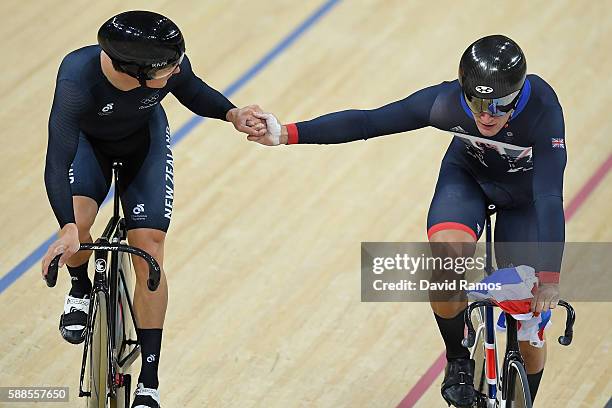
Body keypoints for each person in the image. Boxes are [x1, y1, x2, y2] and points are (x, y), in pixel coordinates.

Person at [250, 35, 566, 407]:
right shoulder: (446, 102)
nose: (486, 115)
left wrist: (549, 279)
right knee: (447, 266)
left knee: (530, 331)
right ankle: (458, 361)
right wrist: (287, 133)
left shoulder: (543, 110)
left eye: (499, 107)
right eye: (477, 103)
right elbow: (369, 121)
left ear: (518, 95)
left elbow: (548, 198)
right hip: (468, 182)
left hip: (525, 200)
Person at [40, 10, 266, 408]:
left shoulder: (163, 61)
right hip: (88, 149)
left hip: (142, 144)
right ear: (135, 72)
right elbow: (57, 160)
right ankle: (80, 288)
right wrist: (66, 227)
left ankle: (148, 379)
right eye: (168, 69)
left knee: (149, 254)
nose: (176, 70)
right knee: (76, 227)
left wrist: (232, 113)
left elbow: (193, 90)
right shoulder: (77, 78)